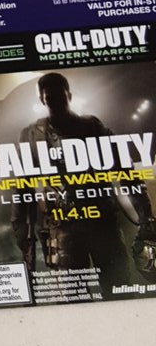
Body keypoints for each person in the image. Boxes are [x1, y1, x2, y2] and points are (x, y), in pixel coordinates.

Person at [13, 71, 153, 297]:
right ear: (42, 100)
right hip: (63, 228)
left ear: (69, 96)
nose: (56, 103)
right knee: (74, 298)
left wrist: (146, 218)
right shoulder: (32, 136)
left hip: (101, 223)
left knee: (118, 291)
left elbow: (127, 174)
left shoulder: (93, 128)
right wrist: (21, 230)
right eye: (50, 98)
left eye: (60, 97)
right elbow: (22, 187)